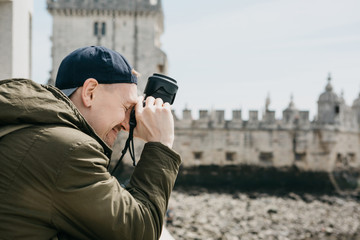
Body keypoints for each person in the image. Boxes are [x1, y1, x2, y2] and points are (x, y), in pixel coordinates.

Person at [0, 46, 181, 239]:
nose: (127, 125)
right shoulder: (69, 149)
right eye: (127, 107)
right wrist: (161, 143)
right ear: (90, 92)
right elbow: (142, 231)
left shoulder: (30, 125)